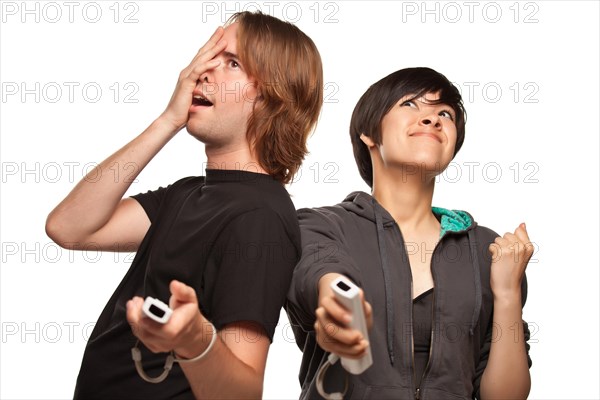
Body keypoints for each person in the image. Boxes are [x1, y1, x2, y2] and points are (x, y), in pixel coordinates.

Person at [45, 11, 323, 399]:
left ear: (272, 95)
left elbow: (242, 393)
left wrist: (197, 342)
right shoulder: (187, 193)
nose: (202, 72)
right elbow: (70, 228)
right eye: (208, 57)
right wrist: (166, 121)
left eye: (231, 63)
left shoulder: (259, 218)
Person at [287, 67, 533, 399]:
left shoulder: (487, 251)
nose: (432, 119)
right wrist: (337, 301)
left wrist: (507, 296)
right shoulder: (322, 227)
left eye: (444, 113)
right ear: (369, 134)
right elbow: (318, 275)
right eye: (410, 105)